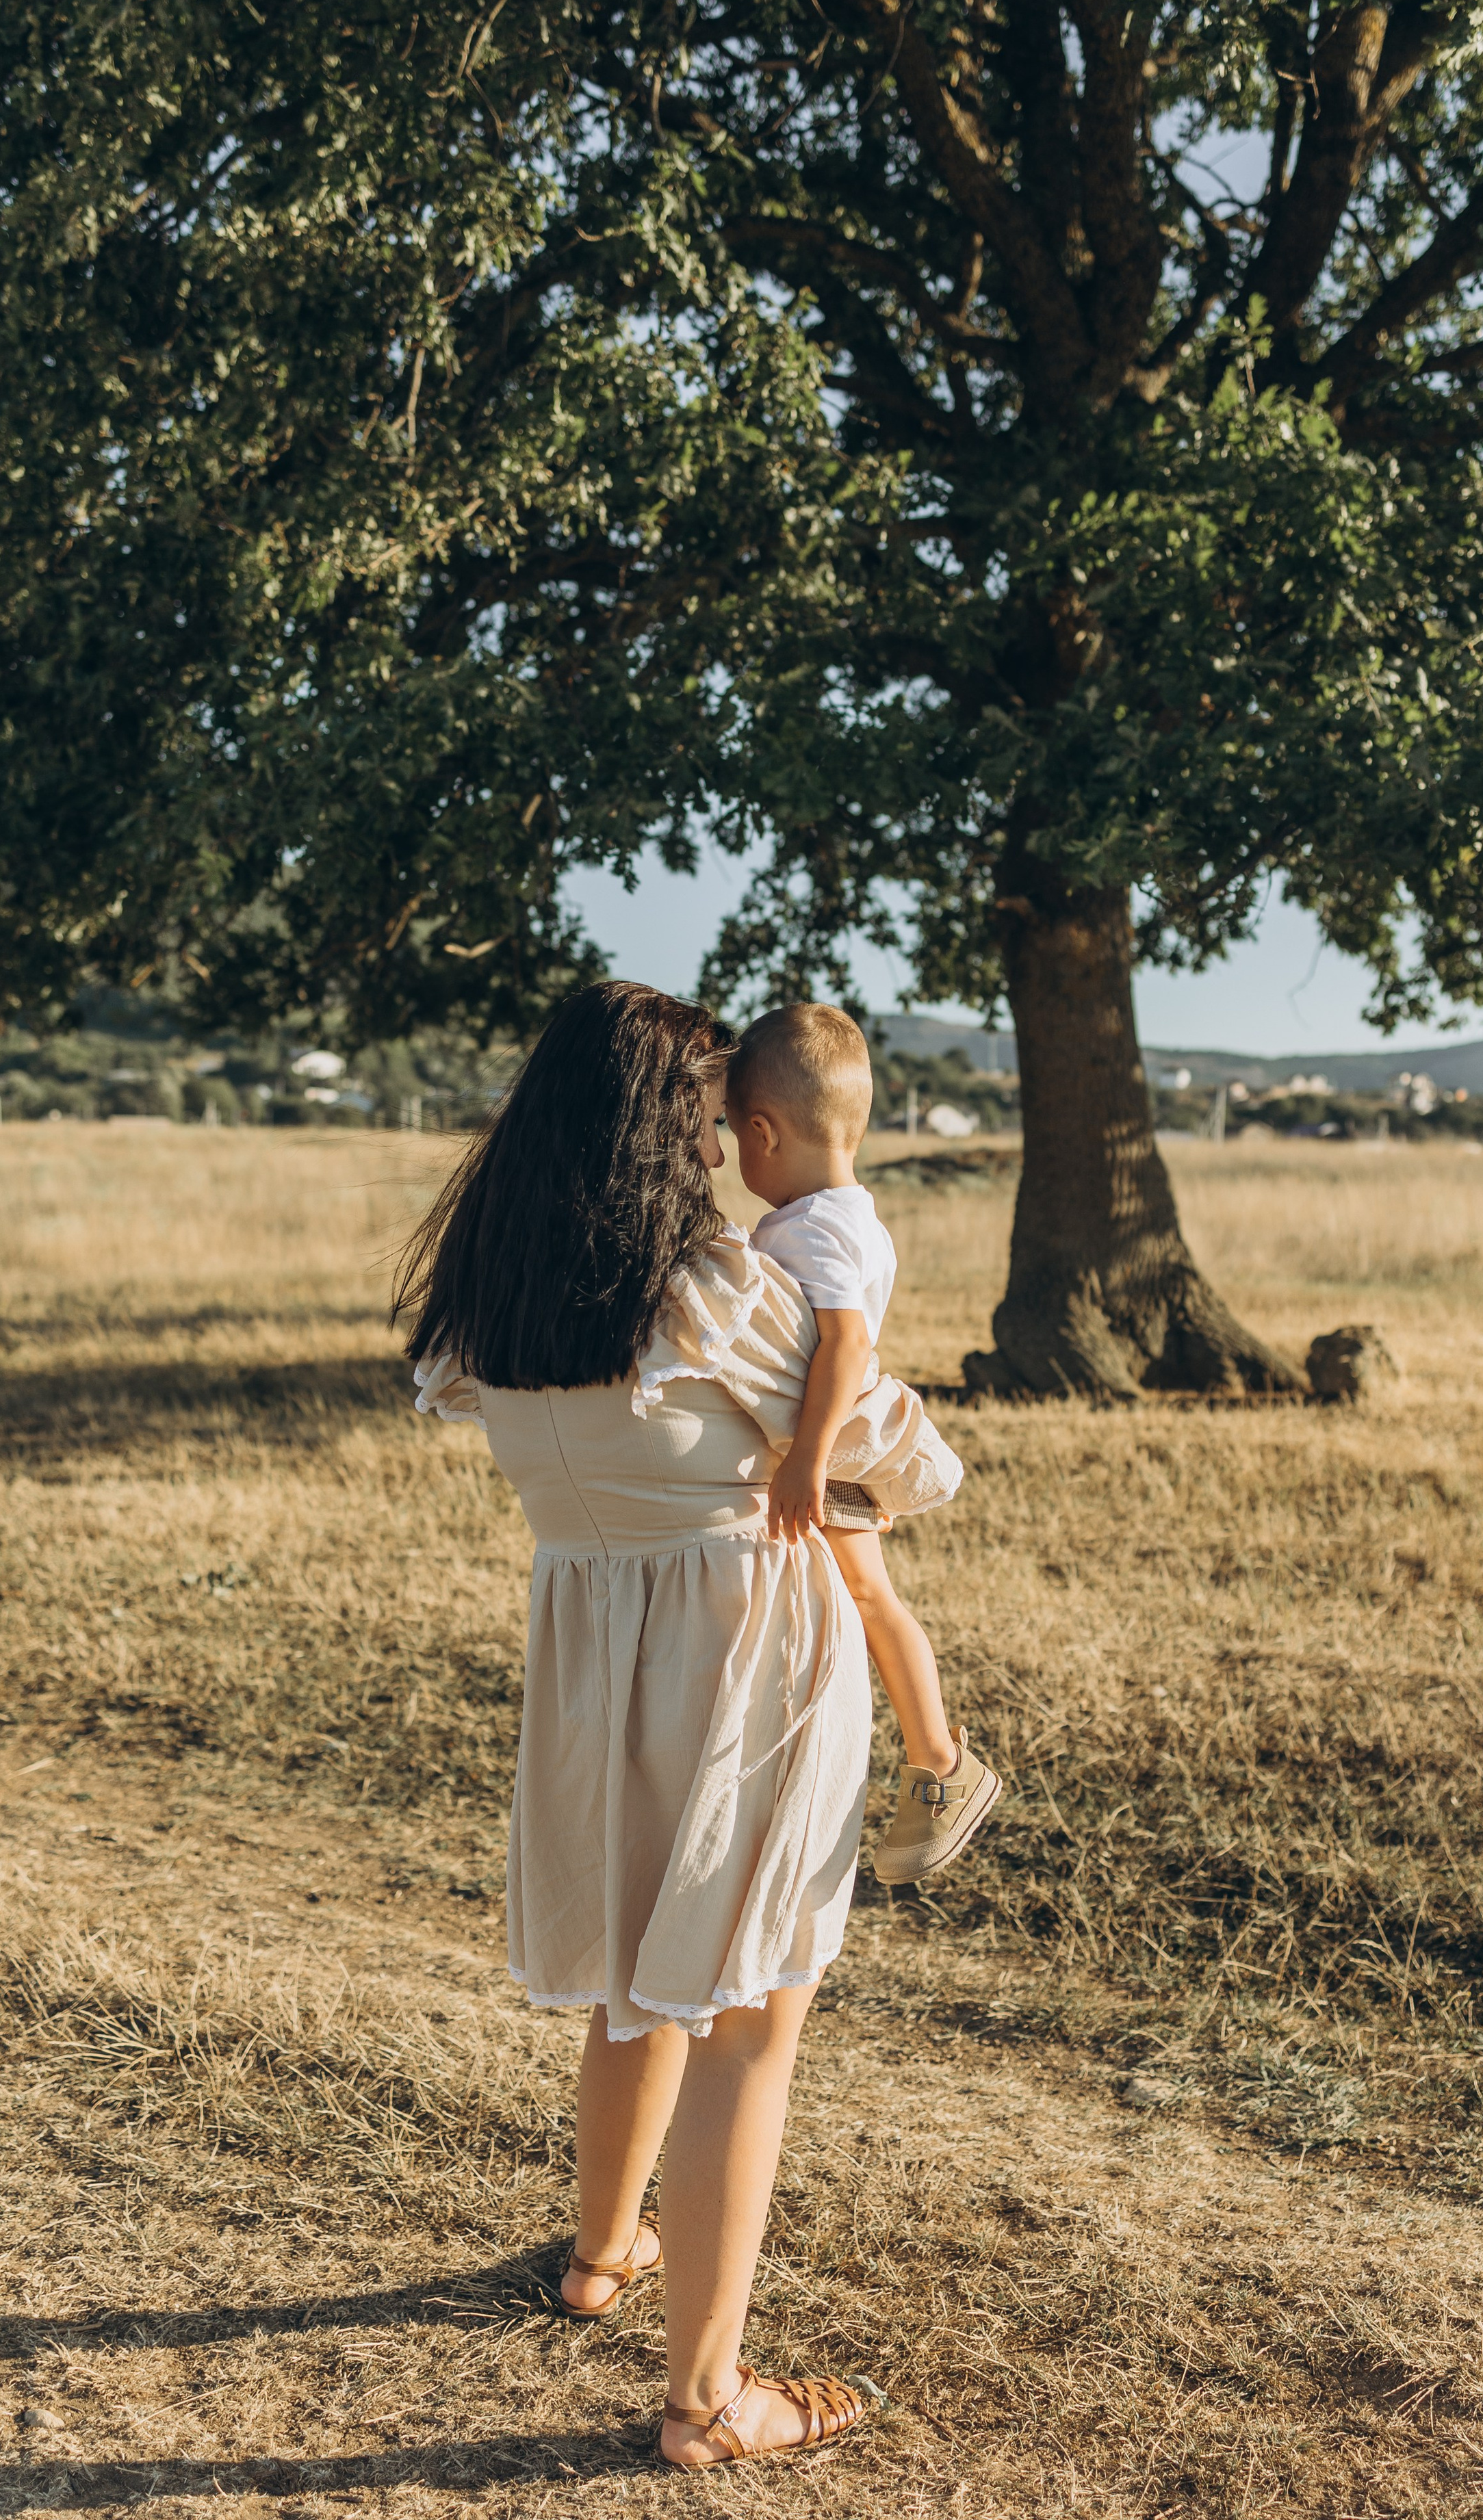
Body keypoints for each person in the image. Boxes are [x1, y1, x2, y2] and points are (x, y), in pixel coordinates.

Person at [394, 980, 964, 2469]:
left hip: (593, 1661)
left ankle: (600, 2258)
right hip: (747, 1660)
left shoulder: (490, 1303)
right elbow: (900, 1456)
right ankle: (710, 2400)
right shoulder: (712, 1290)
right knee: (746, 2026)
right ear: (670, 1130)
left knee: (635, 1982)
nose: (719, 1145)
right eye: (702, 1118)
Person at [725, 1002, 1001, 1886]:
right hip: (824, 1441)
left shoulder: (812, 1229)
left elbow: (844, 1344)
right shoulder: (840, 1215)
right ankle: (934, 1761)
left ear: (763, 1130)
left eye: (733, 1135)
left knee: (869, 1599)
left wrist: (808, 1459)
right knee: (861, 1597)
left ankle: (944, 1765)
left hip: (829, 1448)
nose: (733, 1156)